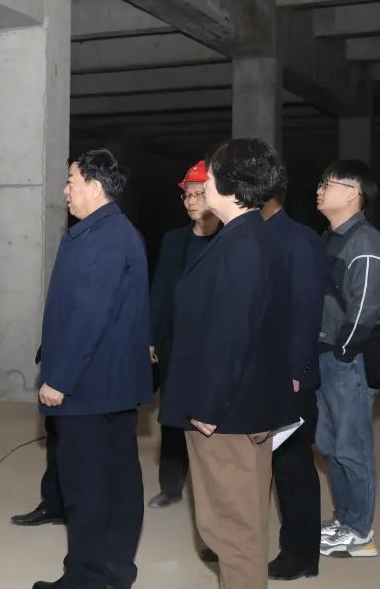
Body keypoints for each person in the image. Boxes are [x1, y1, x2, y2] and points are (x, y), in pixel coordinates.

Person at [161, 138, 295, 589]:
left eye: (212, 174)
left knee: (232, 530)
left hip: (227, 414)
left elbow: (232, 334)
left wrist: (209, 405)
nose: (205, 182)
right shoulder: (250, 235)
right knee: (242, 523)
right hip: (244, 408)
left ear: (232, 186)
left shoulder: (241, 245)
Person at [31, 149, 151, 589]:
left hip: (89, 386)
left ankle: (85, 579)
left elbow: (89, 316)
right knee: (116, 480)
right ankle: (113, 571)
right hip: (111, 385)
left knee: (87, 488)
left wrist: (58, 379)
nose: (65, 190)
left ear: (95, 188)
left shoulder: (103, 238)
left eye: (71, 181)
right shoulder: (115, 231)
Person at [314, 160, 380, 559]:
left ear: (352, 193)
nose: (319, 189)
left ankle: (360, 532)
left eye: (328, 184)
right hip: (326, 355)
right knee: (329, 444)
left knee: (352, 446)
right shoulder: (331, 237)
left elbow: (364, 307)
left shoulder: (367, 242)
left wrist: (343, 351)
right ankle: (344, 519)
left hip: (349, 359)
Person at [261, 180, 327, 580]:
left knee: (291, 466)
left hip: (288, 378)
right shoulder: (247, 236)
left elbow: (307, 310)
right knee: (256, 467)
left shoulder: (298, 240)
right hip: (256, 374)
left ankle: (300, 555)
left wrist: (296, 371)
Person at [147, 160, 220, 509]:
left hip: (214, 346)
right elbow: (160, 292)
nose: (191, 202)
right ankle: (171, 486)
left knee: (210, 419)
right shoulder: (174, 241)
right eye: (187, 195)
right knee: (173, 415)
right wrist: (151, 336)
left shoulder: (230, 240)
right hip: (175, 345)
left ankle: (212, 491)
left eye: (198, 194)